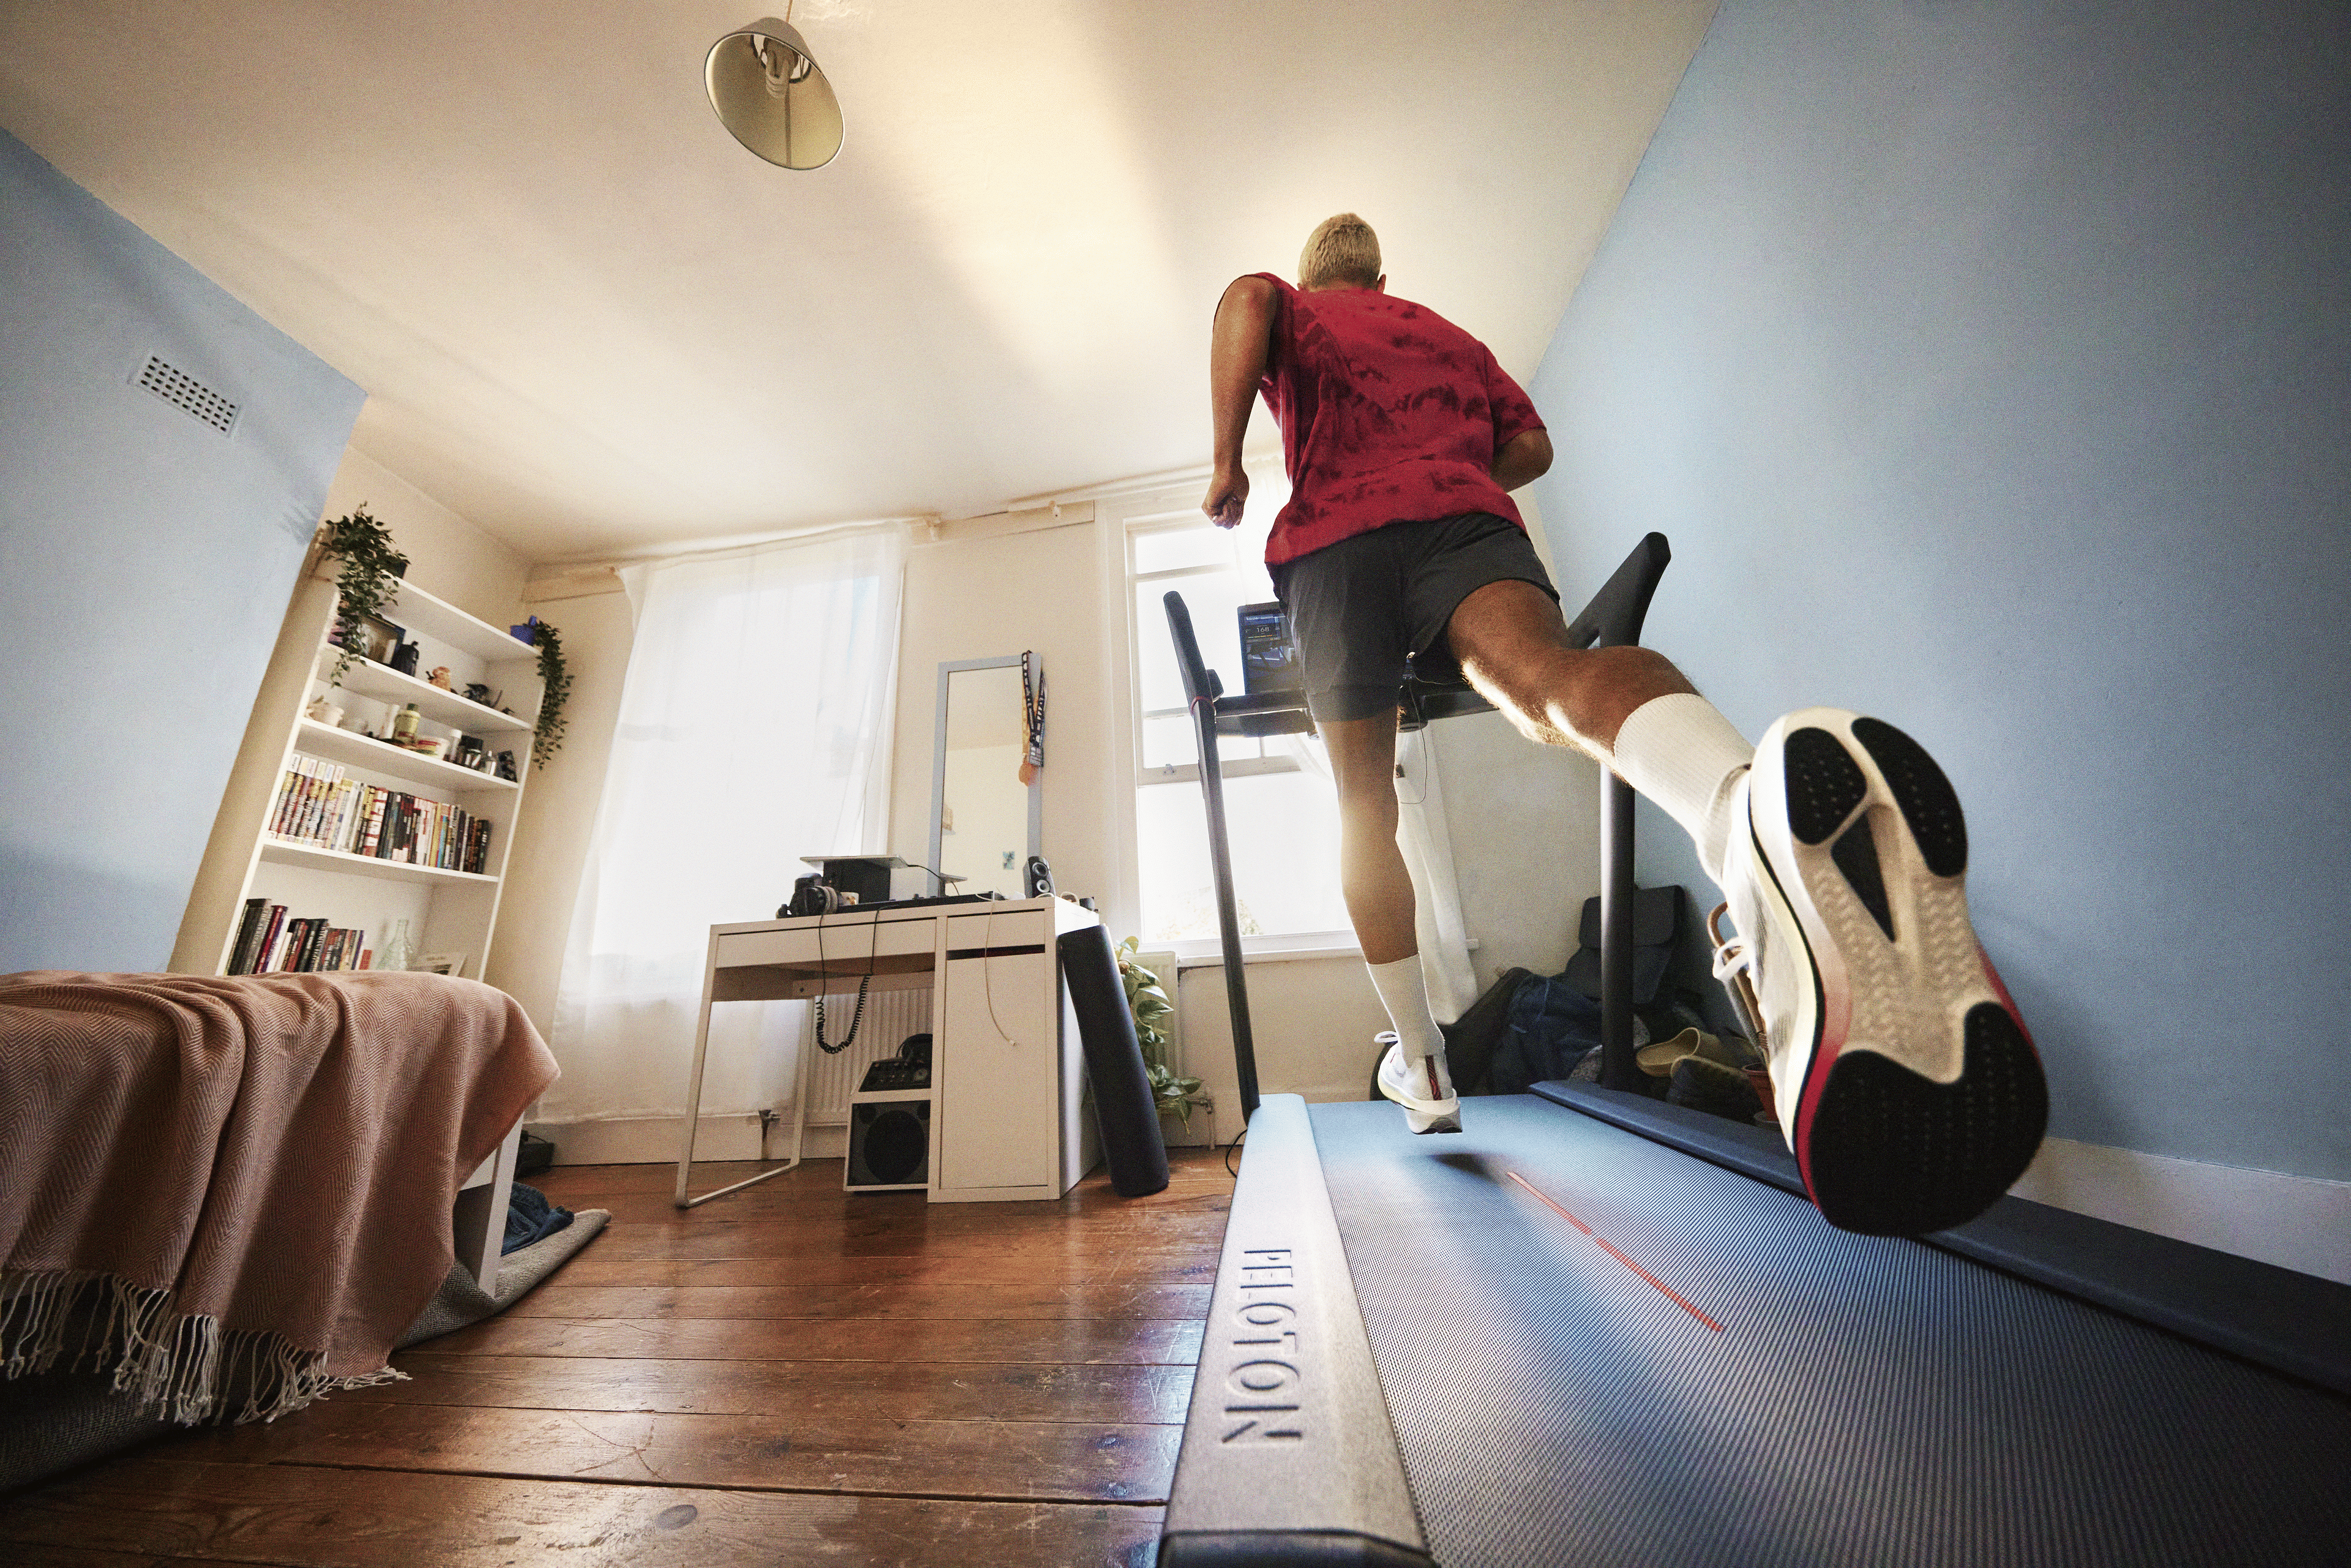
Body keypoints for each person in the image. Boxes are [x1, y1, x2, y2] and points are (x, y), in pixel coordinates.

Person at [1201, 214, 2046, 1236]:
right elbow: (1530, 447)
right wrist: (1454, 481)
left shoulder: (1295, 311)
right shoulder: (1446, 334)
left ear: (1316, 278)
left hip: (1335, 542)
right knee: (1554, 681)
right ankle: (1741, 817)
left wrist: (1227, 461)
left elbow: (1242, 299)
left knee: (1362, 809)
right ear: (1385, 276)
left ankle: (1422, 1064)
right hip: (1463, 522)